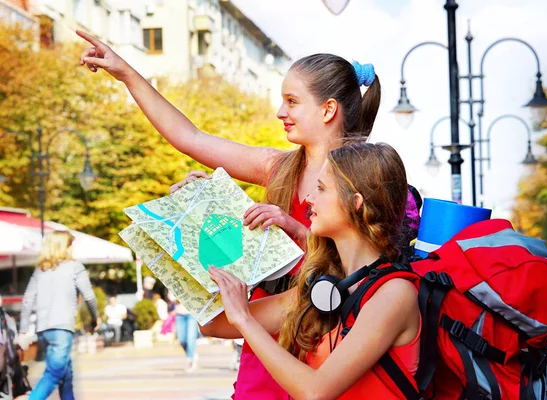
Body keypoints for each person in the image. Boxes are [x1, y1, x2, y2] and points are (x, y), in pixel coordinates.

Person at [77, 31, 420, 399]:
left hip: (335, 324)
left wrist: (294, 229)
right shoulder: (280, 167)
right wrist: (204, 204)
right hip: (277, 319)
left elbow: (374, 258)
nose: (280, 112)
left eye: (292, 101)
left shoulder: (368, 176)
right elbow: (190, 137)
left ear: (328, 109)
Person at [209, 142, 421, 399]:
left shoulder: (394, 293)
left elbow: (316, 391)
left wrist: (244, 319)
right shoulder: (327, 286)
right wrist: (202, 206)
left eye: (321, 189)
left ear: (355, 202)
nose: (309, 198)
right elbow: (213, 324)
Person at [18, 231, 101, 400]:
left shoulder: (40, 270)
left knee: (66, 374)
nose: (72, 249)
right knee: (53, 375)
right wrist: (96, 317)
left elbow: (27, 300)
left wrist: (23, 330)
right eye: (70, 245)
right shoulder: (75, 267)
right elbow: (89, 296)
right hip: (62, 329)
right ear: (65, 247)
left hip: (43, 331)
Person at [174, 301, 200, 373]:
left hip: (192, 312)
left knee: (191, 338)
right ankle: (192, 353)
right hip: (179, 314)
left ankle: (190, 361)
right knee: (181, 339)